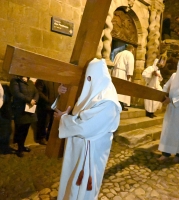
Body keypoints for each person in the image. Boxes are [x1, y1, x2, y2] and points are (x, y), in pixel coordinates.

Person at [54, 58, 122, 200]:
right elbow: (78, 112)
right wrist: (63, 96)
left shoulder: (108, 101)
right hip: (77, 149)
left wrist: (64, 119)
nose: (87, 81)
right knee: (70, 183)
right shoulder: (94, 91)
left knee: (82, 190)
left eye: (90, 78)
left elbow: (85, 128)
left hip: (91, 152)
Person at [10, 76, 39, 157]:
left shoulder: (29, 82)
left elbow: (36, 92)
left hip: (30, 109)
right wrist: (29, 100)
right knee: (20, 129)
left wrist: (34, 100)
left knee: (26, 128)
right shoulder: (15, 81)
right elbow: (16, 93)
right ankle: (19, 149)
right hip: (20, 109)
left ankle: (22, 146)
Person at [35, 80, 66, 145]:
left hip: (53, 105)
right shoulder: (41, 79)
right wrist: (47, 100)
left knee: (51, 123)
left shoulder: (55, 81)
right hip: (44, 106)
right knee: (43, 122)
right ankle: (41, 138)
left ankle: (48, 137)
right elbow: (38, 92)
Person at [112, 44, 135, 111]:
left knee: (116, 89)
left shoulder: (118, 54)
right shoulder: (129, 54)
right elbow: (130, 65)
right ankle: (121, 105)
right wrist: (129, 75)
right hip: (123, 73)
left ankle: (115, 104)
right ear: (132, 49)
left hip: (115, 72)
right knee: (122, 90)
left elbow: (114, 62)